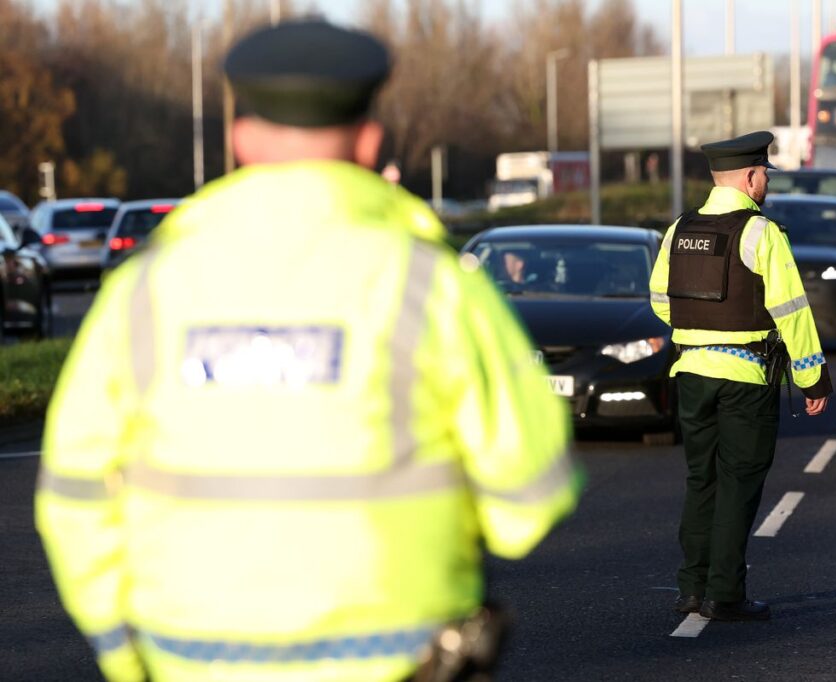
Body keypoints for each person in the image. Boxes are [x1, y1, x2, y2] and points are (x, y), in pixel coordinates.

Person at [36, 20, 580, 682]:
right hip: (399, 660)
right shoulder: (429, 284)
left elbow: (73, 495)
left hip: (188, 663)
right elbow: (530, 500)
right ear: (370, 139)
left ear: (238, 138)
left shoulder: (145, 289)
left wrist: (124, 653)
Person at [648, 130, 832, 622]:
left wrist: (698, 333)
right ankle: (725, 593)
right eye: (765, 172)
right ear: (750, 177)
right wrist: (812, 377)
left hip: (690, 373)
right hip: (747, 379)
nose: (766, 179)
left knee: (700, 479)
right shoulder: (761, 233)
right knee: (738, 483)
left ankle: (691, 588)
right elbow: (792, 311)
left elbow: (660, 301)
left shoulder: (679, 229)